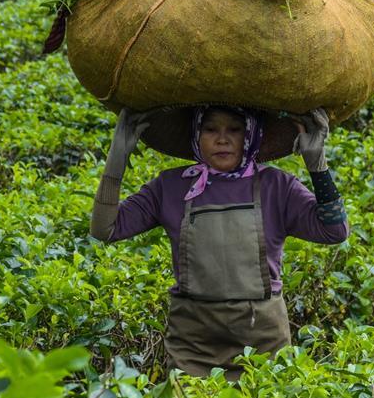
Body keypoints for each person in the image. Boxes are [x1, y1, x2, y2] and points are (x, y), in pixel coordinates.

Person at [89, 104, 349, 381]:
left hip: (262, 343)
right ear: (196, 135)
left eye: (234, 130)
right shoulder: (171, 186)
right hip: (193, 344)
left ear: (251, 134)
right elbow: (105, 228)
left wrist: (317, 165)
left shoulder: (277, 186)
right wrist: (116, 159)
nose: (222, 139)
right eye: (210, 129)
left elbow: (335, 230)